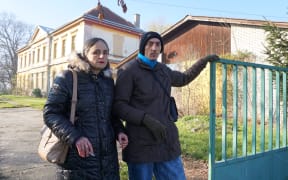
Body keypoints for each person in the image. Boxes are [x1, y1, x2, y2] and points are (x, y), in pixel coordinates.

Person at [113, 31, 219, 180]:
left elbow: (183, 78)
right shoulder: (128, 71)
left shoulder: (162, 70)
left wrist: (203, 61)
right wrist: (146, 119)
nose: (154, 48)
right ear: (143, 46)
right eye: (150, 44)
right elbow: (119, 106)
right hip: (140, 144)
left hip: (166, 140)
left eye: (158, 45)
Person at [43, 37, 128, 180]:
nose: (102, 56)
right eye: (96, 52)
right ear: (85, 54)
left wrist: (119, 130)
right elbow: (51, 113)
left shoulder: (108, 82)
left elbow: (111, 115)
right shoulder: (68, 78)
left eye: (105, 52)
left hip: (108, 163)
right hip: (77, 159)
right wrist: (75, 137)